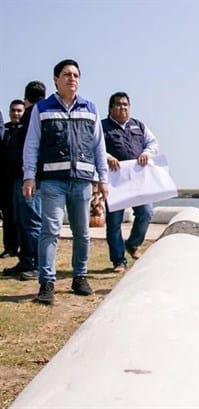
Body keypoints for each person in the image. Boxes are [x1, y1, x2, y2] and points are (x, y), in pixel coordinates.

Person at [23, 59, 109, 305]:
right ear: (56, 80)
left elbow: (98, 147)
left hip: (82, 182)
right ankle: (46, 282)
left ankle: (79, 277)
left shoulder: (90, 108)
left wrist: (103, 179)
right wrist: (29, 176)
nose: (72, 78)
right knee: (50, 232)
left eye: (75, 75)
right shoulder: (42, 108)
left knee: (82, 233)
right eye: (66, 74)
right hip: (52, 182)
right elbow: (32, 145)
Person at [102, 92, 159, 273]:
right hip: (115, 181)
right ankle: (118, 260)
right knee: (114, 222)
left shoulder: (139, 125)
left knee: (146, 212)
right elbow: (93, 148)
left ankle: (133, 244)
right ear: (111, 108)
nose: (123, 108)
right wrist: (107, 157)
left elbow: (153, 143)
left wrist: (146, 153)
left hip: (137, 179)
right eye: (118, 104)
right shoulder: (102, 127)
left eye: (126, 104)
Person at [2, 83, 46, 280]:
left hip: (30, 179)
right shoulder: (29, 116)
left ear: (26, 98)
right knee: (22, 221)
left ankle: (36, 263)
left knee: (32, 221)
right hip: (19, 178)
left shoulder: (34, 115)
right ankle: (26, 260)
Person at [0, 100, 25, 259]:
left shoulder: (26, 130)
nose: (16, 113)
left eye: (19, 111)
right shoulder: (5, 129)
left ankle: (25, 248)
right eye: (13, 110)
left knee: (22, 216)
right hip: (5, 179)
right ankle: (10, 247)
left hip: (21, 179)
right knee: (8, 215)